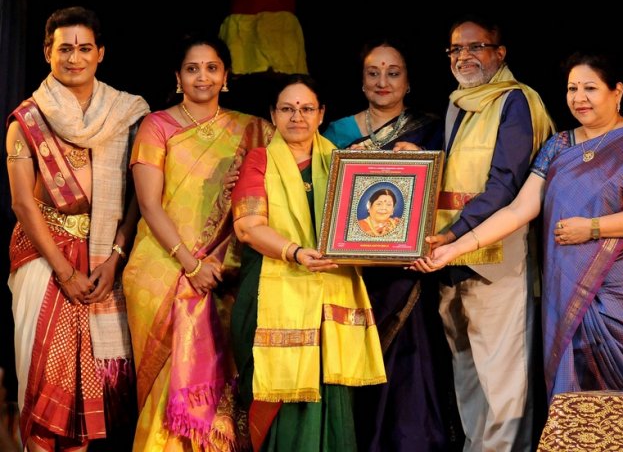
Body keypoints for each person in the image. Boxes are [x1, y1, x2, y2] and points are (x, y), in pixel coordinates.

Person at [412, 50, 623, 403]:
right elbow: (518, 209)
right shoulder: (559, 146)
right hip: (566, 290)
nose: (579, 98)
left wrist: (593, 228)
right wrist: (454, 248)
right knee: (573, 390)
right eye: (572, 89)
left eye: (590, 88)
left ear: (617, 91)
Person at [5, 6, 149, 451]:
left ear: (100, 53)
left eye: (85, 48)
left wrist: (115, 258)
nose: (74, 58)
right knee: (45, 381)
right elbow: (22, 203)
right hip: (43, 256)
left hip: (105, 259)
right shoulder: (26, 120)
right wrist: (66, 273)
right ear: (47, 52)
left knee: (89, 399)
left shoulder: (127, 114)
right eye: (64, 48)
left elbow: (139, 197)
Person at [122, 32, 273, 451]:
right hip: (163, 270)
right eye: (192, 69)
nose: (202, 77)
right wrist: (191, 264)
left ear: (225, 76)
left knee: (223, 381)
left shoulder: (253, 130)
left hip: (226, 273)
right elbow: (149, 204)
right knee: (164, 386)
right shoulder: (156, 126)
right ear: (178, 77)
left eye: (211, 68)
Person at [230, 73, 386, 451]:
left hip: (332, 293)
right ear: (273, 115)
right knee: (278, 394)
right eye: (287, 109)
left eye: (306, 109)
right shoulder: (259, 161)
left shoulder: (345, 164)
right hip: (271, 292)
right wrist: (295, 253)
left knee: (331, 391)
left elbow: (376, 223)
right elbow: (248, 227)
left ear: (321, 114)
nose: (297, 117)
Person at [426, 15, 555, 452]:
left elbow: (506, 183)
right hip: (450, 261)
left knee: (503, 385)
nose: (463, 56)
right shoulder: (458, 103)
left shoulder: (517, 100)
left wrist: (454, 234)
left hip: (497, 260)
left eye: (475, 47)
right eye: (456, 49)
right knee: (468, 380)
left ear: (500, 53)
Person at [324, 38, 458, 452]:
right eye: (373, 73)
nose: (383, 81)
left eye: (393, 73)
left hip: (409, 272)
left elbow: (450, 192)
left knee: (410, 365)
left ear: (408, 81)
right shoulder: (335, 133)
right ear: (362, 81)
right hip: (351, 273)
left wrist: (422, 156)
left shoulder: (433, 129)